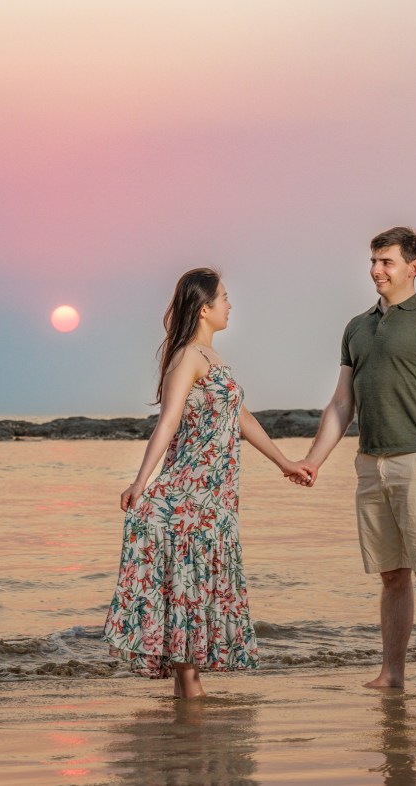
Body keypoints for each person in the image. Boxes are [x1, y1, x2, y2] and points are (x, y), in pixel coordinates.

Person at [103, 267, 311, 699]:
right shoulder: (188, 357)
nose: (230, 305)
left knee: (195, 593)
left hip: (213, 502)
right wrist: (140, 481)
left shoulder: (213, 358)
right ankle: (190, 698)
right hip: (187, 498)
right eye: (225, 297)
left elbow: (241, 418)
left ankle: (187, 714)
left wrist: (283, 462)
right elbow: (168, 421)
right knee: (187, 593)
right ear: (204, 308)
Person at [298, 227, 416, 694]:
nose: (376, 270)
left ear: (413, 267)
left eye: (386, 262)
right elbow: (341, 404)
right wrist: (314, 460)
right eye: (374, 261)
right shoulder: (357, 327)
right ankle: (392, 673)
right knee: (391, 576)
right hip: (369, 463)